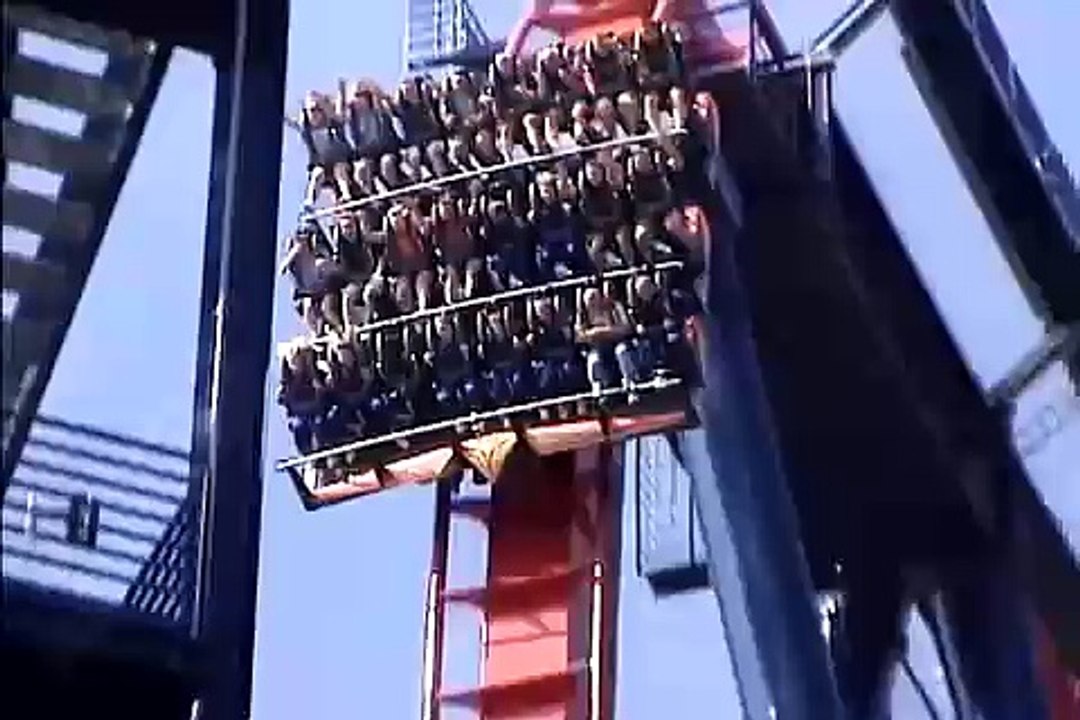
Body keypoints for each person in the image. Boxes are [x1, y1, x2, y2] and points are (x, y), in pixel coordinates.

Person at [577, 286, 638, 398]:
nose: (593, 302)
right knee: (593, 359)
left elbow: (626, 328)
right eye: (589, 300)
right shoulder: (583, 315)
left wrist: (600, 332)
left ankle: (630, 385)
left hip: (617, 343)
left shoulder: (614, 307)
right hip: (598, 347)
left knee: (622, 351)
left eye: (595, 298)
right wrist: (600, 332)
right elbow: (580, 336)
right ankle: (600, 391)